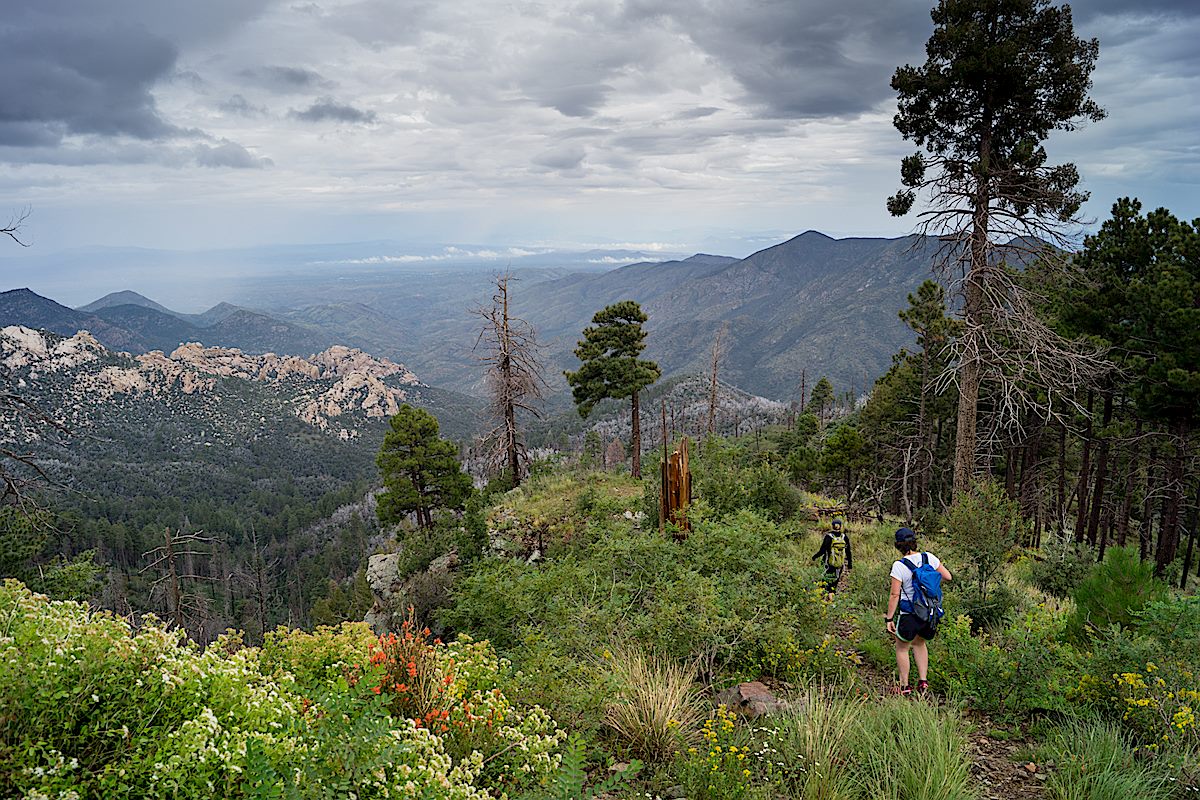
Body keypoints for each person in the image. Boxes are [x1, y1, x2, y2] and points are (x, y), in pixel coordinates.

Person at [885, 527, 952, 696]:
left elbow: (895, 594)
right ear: (914, 541)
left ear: (898, 545)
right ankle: (923, 682)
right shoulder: (929, 557)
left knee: (902, 648)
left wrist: (889, 618)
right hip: (929, 613)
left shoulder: (899, 566)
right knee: (920, 643)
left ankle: (904, 686)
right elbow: (947, 577)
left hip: (909, 614)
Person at [811, 517, 853, 594]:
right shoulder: (844, 537)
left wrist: (814, 557)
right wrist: (850, 564)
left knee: (824, 582)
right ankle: (831, 601)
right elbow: (848, 552)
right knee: (834, 584)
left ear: (832, 526)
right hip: (839, 564)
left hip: (828, 564)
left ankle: (823, 601)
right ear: (841, 526)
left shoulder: (829, 537)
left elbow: (822, 550)